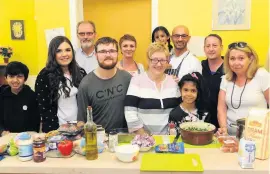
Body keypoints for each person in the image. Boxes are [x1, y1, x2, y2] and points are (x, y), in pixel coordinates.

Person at [77, 37, 132, 132]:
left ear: (118, 53)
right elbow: (81, 121)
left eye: (112, 51)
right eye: (103, 51)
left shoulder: (127, 78)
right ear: (96, 55)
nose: (108, 55)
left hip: (124, 139)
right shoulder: (86, 84)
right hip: (99, 141)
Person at [124, 42, 180, 135]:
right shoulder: (137, 80)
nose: (158, 64)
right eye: (154, 60)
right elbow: (130, 112)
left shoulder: (173, 82)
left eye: (162, 60)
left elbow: (179, 110)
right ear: (148, 61)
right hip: (143, 140)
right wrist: (144, 136)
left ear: (167, 62)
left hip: (168, 140)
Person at [35, 36, 86, 133]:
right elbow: (44, 108)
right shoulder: (44, 76)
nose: (64, 54)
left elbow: (87, 102)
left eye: (68, 50)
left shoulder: (81, 73)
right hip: (56, 130)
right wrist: (55, 132)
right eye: (59, 51)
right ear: (53, 54)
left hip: (80, 128)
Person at [217, 42, 269, 136]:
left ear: (251, 59)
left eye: (241, 58)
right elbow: (221, 108)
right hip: (231, 134)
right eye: (232, 59)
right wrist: (224, 129)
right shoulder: (225, 79)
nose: (236, 63)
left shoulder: (261, 75)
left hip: (257, 134)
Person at [0, 61, 40, 136]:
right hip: (6, 137)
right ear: (6, 78)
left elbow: (35, 122)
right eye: (11, 76)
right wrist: (2, 132)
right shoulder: (1, 95)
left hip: (26, 138)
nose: (15, 80)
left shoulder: (32, 96)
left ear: (25, 79)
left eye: (19, 76)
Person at [202, 34, 224, 129]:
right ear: (204, 48)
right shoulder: (199, 67)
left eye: (214, 46)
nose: (211, 49)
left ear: (221, 47)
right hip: (202, 121)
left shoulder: (229, 68)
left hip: (223, 121)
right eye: (208, 46)